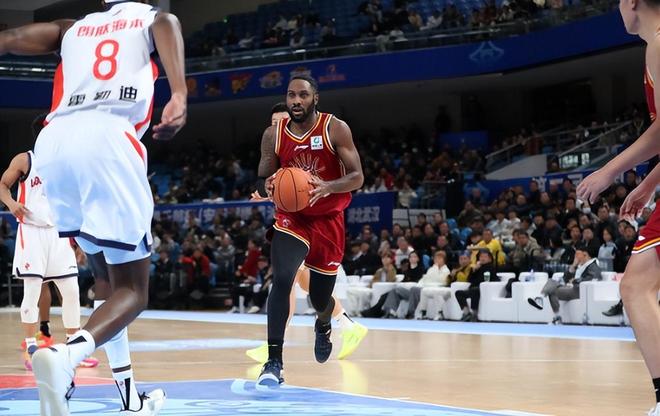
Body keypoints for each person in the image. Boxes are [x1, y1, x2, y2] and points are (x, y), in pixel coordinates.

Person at [0, 0, 187, 413]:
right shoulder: (147, 17)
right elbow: (167, 21)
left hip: (53, 144)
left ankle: (129, 398)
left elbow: (10, 39)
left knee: (107, 284)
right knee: (133, 291)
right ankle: (65, 358)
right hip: (108, 137)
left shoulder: (72, 28)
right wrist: (179, 93)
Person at [252, 83, 365, 386]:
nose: (296, 100)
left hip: (328, 218)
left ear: (315, 98)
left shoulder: (335, 128)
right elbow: (262, 178)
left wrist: (328, 186)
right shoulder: (273, 135)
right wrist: (268, 185)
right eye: (291, 95)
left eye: (303, 95)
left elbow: (357, 177)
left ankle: (324, 322)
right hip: (294, 217)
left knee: (319, 298)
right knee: (283, 278)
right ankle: (274, 362)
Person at [1, 150, 101, 372]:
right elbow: (3, 185)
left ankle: (74, 348)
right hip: (32, 231)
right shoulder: (25, 159)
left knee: (71, 291)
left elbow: (73, 201)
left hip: (58, 232)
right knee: (32, 291)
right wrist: (11, 204)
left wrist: (77, 239)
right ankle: (31, 347)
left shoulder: (64, 162)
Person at [527, 243, 601, 324]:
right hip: (571, 288)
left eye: (577, 254)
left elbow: (594, 278)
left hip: (580, 291)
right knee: (551, 282)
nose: (575, 256)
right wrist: (573, 265)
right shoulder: (580, 265)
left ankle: (542, 300)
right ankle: (553, 312)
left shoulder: (593, 266)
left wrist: (575, 280)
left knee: (551, 290)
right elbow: (565, 278)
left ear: (585, 254)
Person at [455, 249, 496, 321]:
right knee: (458, 293)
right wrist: (474, 270)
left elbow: (491, 280)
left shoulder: (491, 268)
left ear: (489, 259)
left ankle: (474, 313)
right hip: (473, 288)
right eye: (481, 257)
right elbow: (469, 280)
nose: (482, 258)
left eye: (485, 257)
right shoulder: (476, 267)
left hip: (484, 289)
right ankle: (466, 312)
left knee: (475, 290)